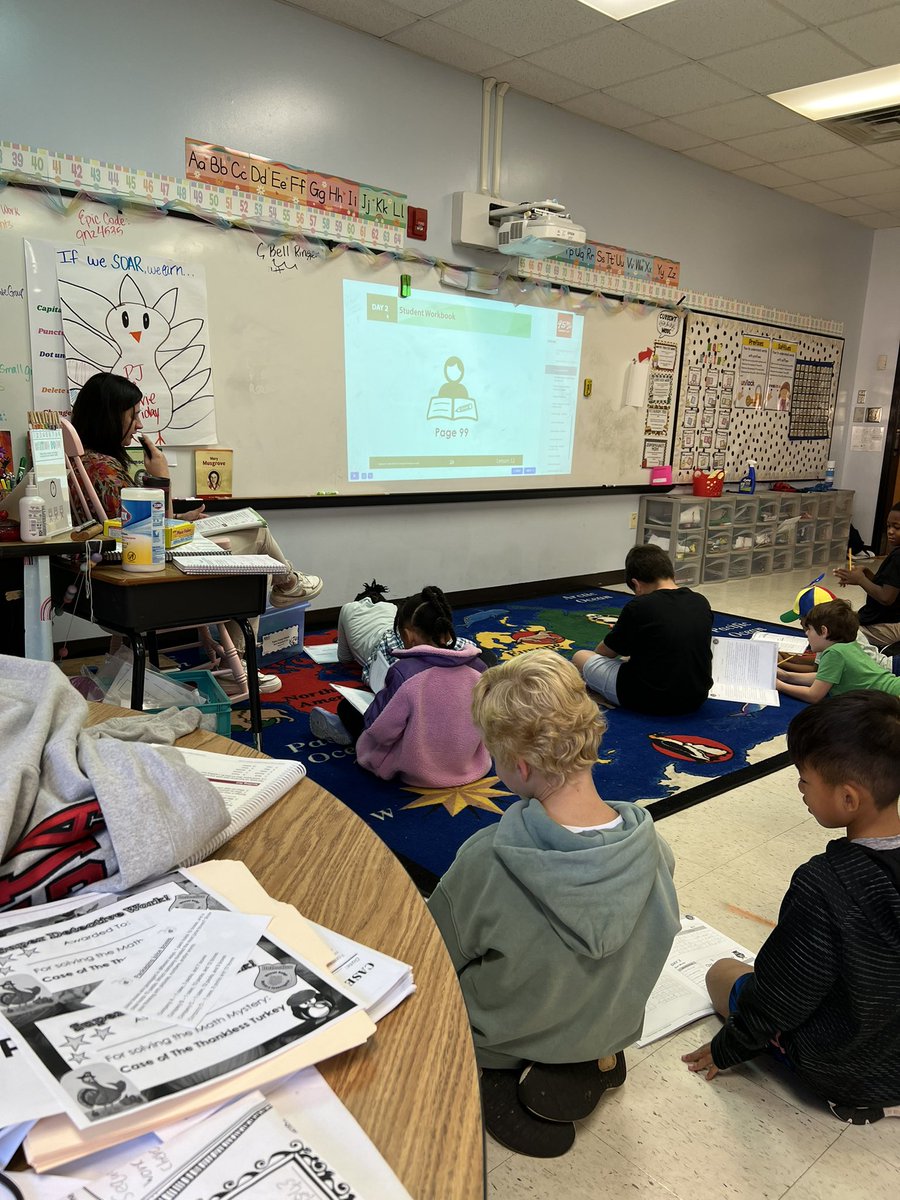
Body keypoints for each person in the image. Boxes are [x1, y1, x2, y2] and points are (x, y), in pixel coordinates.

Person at [427, 651, 680, 1158]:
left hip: (506, 1033)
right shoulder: (655, 851)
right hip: (610, 1024)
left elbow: (433, 957)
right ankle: (589, 1055)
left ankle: (504, 1068)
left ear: (519, 766)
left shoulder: (487, 860)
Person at [682, 691, 900, 1125]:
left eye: (804, 780)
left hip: (846, 1071)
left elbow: (782, 998)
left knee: (722, 972)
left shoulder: (825, 884)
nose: (799, 789)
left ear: (849, 799)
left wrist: (729, 1048)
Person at [70, 373, 322, 607]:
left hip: (126, 565)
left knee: (247, 548)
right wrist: (161, 477)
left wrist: (180, 519)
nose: (139, 424)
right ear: (110, 417)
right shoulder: (105, 470)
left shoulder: (87, 462)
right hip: (148, 568)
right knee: (257, 535)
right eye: (133, 415)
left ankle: (285, 586)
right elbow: (150, 536)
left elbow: (135, 523)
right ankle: (288, 584)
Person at [312, 585, 491, 788]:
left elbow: (380, 730)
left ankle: (347, 733)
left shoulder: (403, 672)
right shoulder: (479, 667)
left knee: (348, 708)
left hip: (418, 769)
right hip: (470, 763)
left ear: (407, 635)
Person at [572, 543, 713, 715]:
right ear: (671, 573)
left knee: (581, 657)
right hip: (696, 697)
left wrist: (614, 639)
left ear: (636, 584)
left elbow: (604, 653)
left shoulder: (640, 606)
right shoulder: (700, 601)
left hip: (648, 698)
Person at [776, 599, 900, 704]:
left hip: (892, 699)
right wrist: (786, 676)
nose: (806, 633)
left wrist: (780, 686)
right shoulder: (848, 645)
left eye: (809, 629)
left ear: (824, 631)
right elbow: (824, 678)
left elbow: (814, 695)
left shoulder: (834, 653)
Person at [834, 502, 900, 651]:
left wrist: (861, 580)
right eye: (888, 526)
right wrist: (867, 575)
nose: (890, 531)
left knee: (837, 631)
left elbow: (886, 597)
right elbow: (891, 585)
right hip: (891, 620)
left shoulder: (898, 556)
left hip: (888, 623)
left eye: (897, 528)